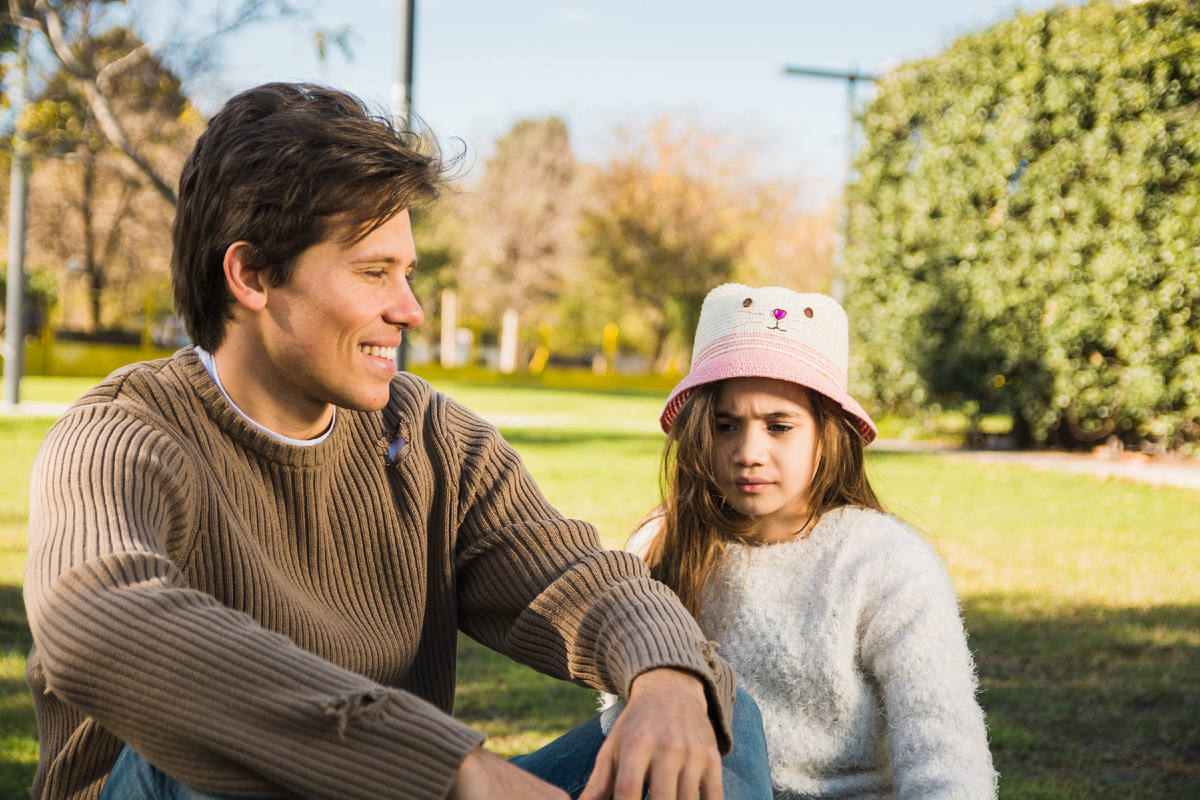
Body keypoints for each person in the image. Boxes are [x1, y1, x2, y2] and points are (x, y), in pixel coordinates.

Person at [23, 84, 770, 800]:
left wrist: (666, 676)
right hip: (193, 792)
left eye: (406, 271)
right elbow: (97, 620)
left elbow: (581, 581)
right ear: (250, 274)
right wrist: (447, 767)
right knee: (208, 756)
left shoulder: (430, 439)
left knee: (713, 716)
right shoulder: (123, 434)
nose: (408, 309)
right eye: (374, 272)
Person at [623, 284, 999, 799]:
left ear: (828, 433)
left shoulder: (884, 561)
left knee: (738, 720)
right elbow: (627, 720)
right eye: (724, 425)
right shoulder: (662, 543)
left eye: (779, 426)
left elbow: (941, 740)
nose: (748, 452)